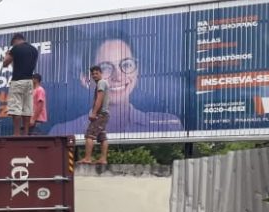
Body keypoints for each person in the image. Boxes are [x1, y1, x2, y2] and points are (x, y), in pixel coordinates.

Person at [51, 34, 184, 136]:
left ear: (137, 71)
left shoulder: (167, 126)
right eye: (106, 68)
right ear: (86, 79)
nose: (118, 76)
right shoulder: (62, 132)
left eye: (126, 64)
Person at [1, 33, 39, 136]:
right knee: (27, 108)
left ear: (15, 41)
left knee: (15, 108)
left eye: (13, 44)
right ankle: (26, 133)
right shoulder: (34, 50)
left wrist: (6, 54)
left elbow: (5, 63)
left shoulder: (15, 49)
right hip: (29, 81)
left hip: (17, 81)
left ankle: (16, 134)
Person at [78, 65, 109, 165]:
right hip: (104, 114)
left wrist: (94, 113)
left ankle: (87, 158)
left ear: (101, 73)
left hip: (100, 114)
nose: (94, 75)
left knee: (89, 135)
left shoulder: (101, 83)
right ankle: (103, 159)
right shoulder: (102, 83)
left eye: (97, 73)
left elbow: (99, 98)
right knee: (102, 136)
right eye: (93, 74)